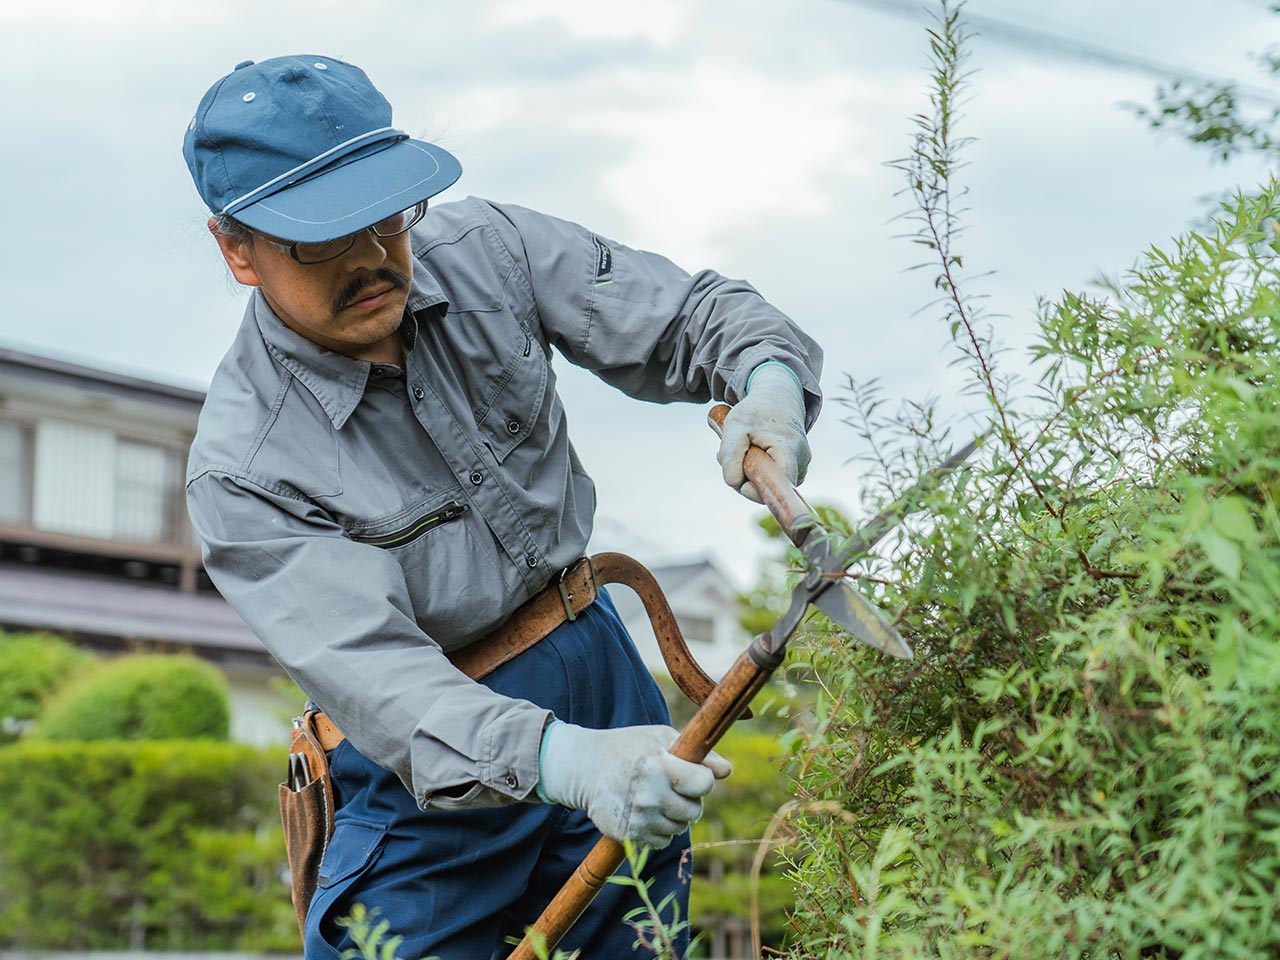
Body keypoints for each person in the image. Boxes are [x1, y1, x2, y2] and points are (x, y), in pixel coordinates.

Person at [182, 54, 822, 960]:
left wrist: (767, 385)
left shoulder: (488, 252)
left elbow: (687, 314)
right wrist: (569, 763)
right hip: (428, 766)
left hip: (598, 664)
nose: (373, 258)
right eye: (324, 238)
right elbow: (388, 684)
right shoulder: (246, 468)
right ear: (235, 248)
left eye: (385, 216)